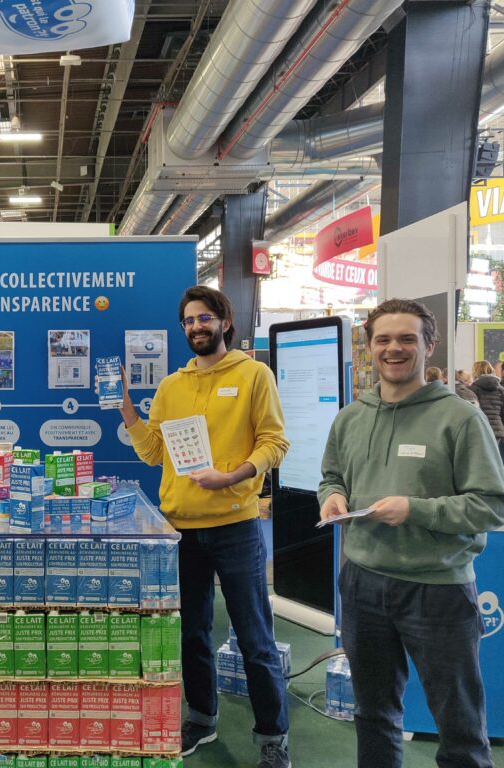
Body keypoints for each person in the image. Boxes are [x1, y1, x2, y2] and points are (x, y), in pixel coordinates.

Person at [318, 298, 504, 768]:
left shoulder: (461, 418)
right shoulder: (351, 417)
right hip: (362, 584)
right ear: (370, 347)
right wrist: (333, 495)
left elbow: (493, 504)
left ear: (429, 345)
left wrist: (416, 510)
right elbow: (332, 475)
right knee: (374, 715)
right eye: (383, 339)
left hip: (437, 590)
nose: (394, 349)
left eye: (407, 338)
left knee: (460, 727)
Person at [111, 285, 291, 768]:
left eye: (205, 318)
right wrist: (126, 407)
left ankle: (272, 737)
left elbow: (274, 443)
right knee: (191, 633)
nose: (196, 326)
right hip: (181, 529)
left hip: (236, 527)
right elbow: (154, 453)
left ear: (225, 322)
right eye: (189, 320)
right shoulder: (172, 386)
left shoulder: (254, 374)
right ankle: (201, 719)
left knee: (254, 638)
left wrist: (232, 476)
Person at [470, 360, 504, 491]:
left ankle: (486, 485)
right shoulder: (501, 388)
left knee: (483, 459)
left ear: (476, 371)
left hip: (481, 427)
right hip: (498, 428)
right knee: (502, 457)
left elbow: (473, 411)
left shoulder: (474, 388)